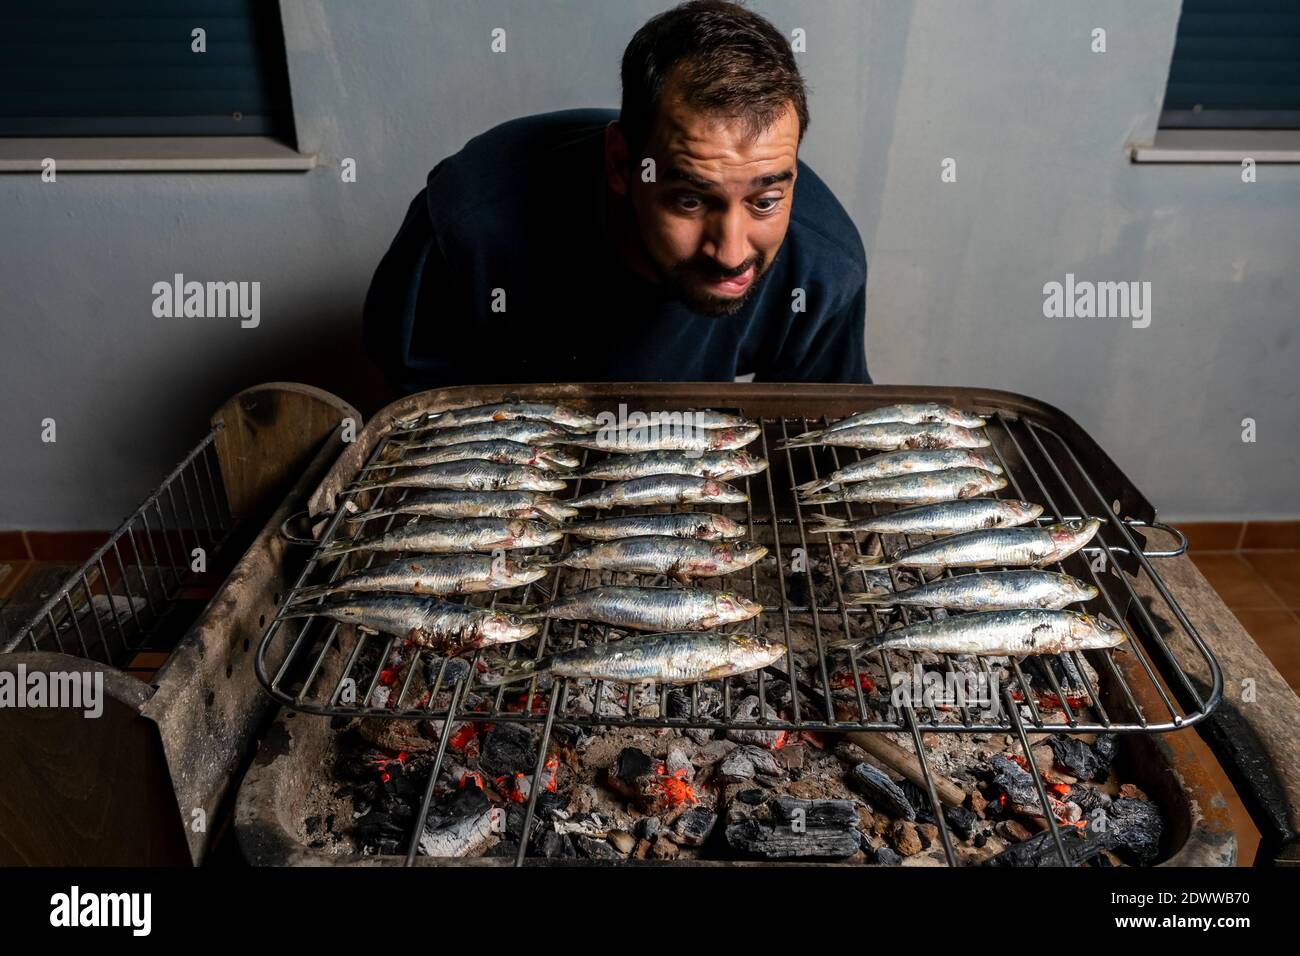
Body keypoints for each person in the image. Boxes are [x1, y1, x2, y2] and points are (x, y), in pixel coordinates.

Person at [364, 0, 870, 394]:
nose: (732, 253)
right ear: (621, 165)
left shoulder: (825, 266)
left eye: (765, 201)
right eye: (691, 201)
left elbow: (811, 445)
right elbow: (421, 423)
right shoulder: (466, 225)